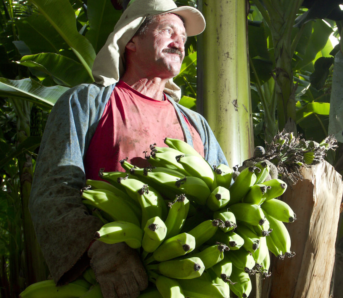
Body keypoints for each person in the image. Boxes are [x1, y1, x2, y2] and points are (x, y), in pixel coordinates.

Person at [29, 1, 228, 297]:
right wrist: (99, 248)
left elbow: (224, 196)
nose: (179, 43)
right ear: (131, 39)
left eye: (184, 39)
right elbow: (53, 190)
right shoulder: (87, 103)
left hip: (182, 279)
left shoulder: (196, 124)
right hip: (106, 280)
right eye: (168, 31)